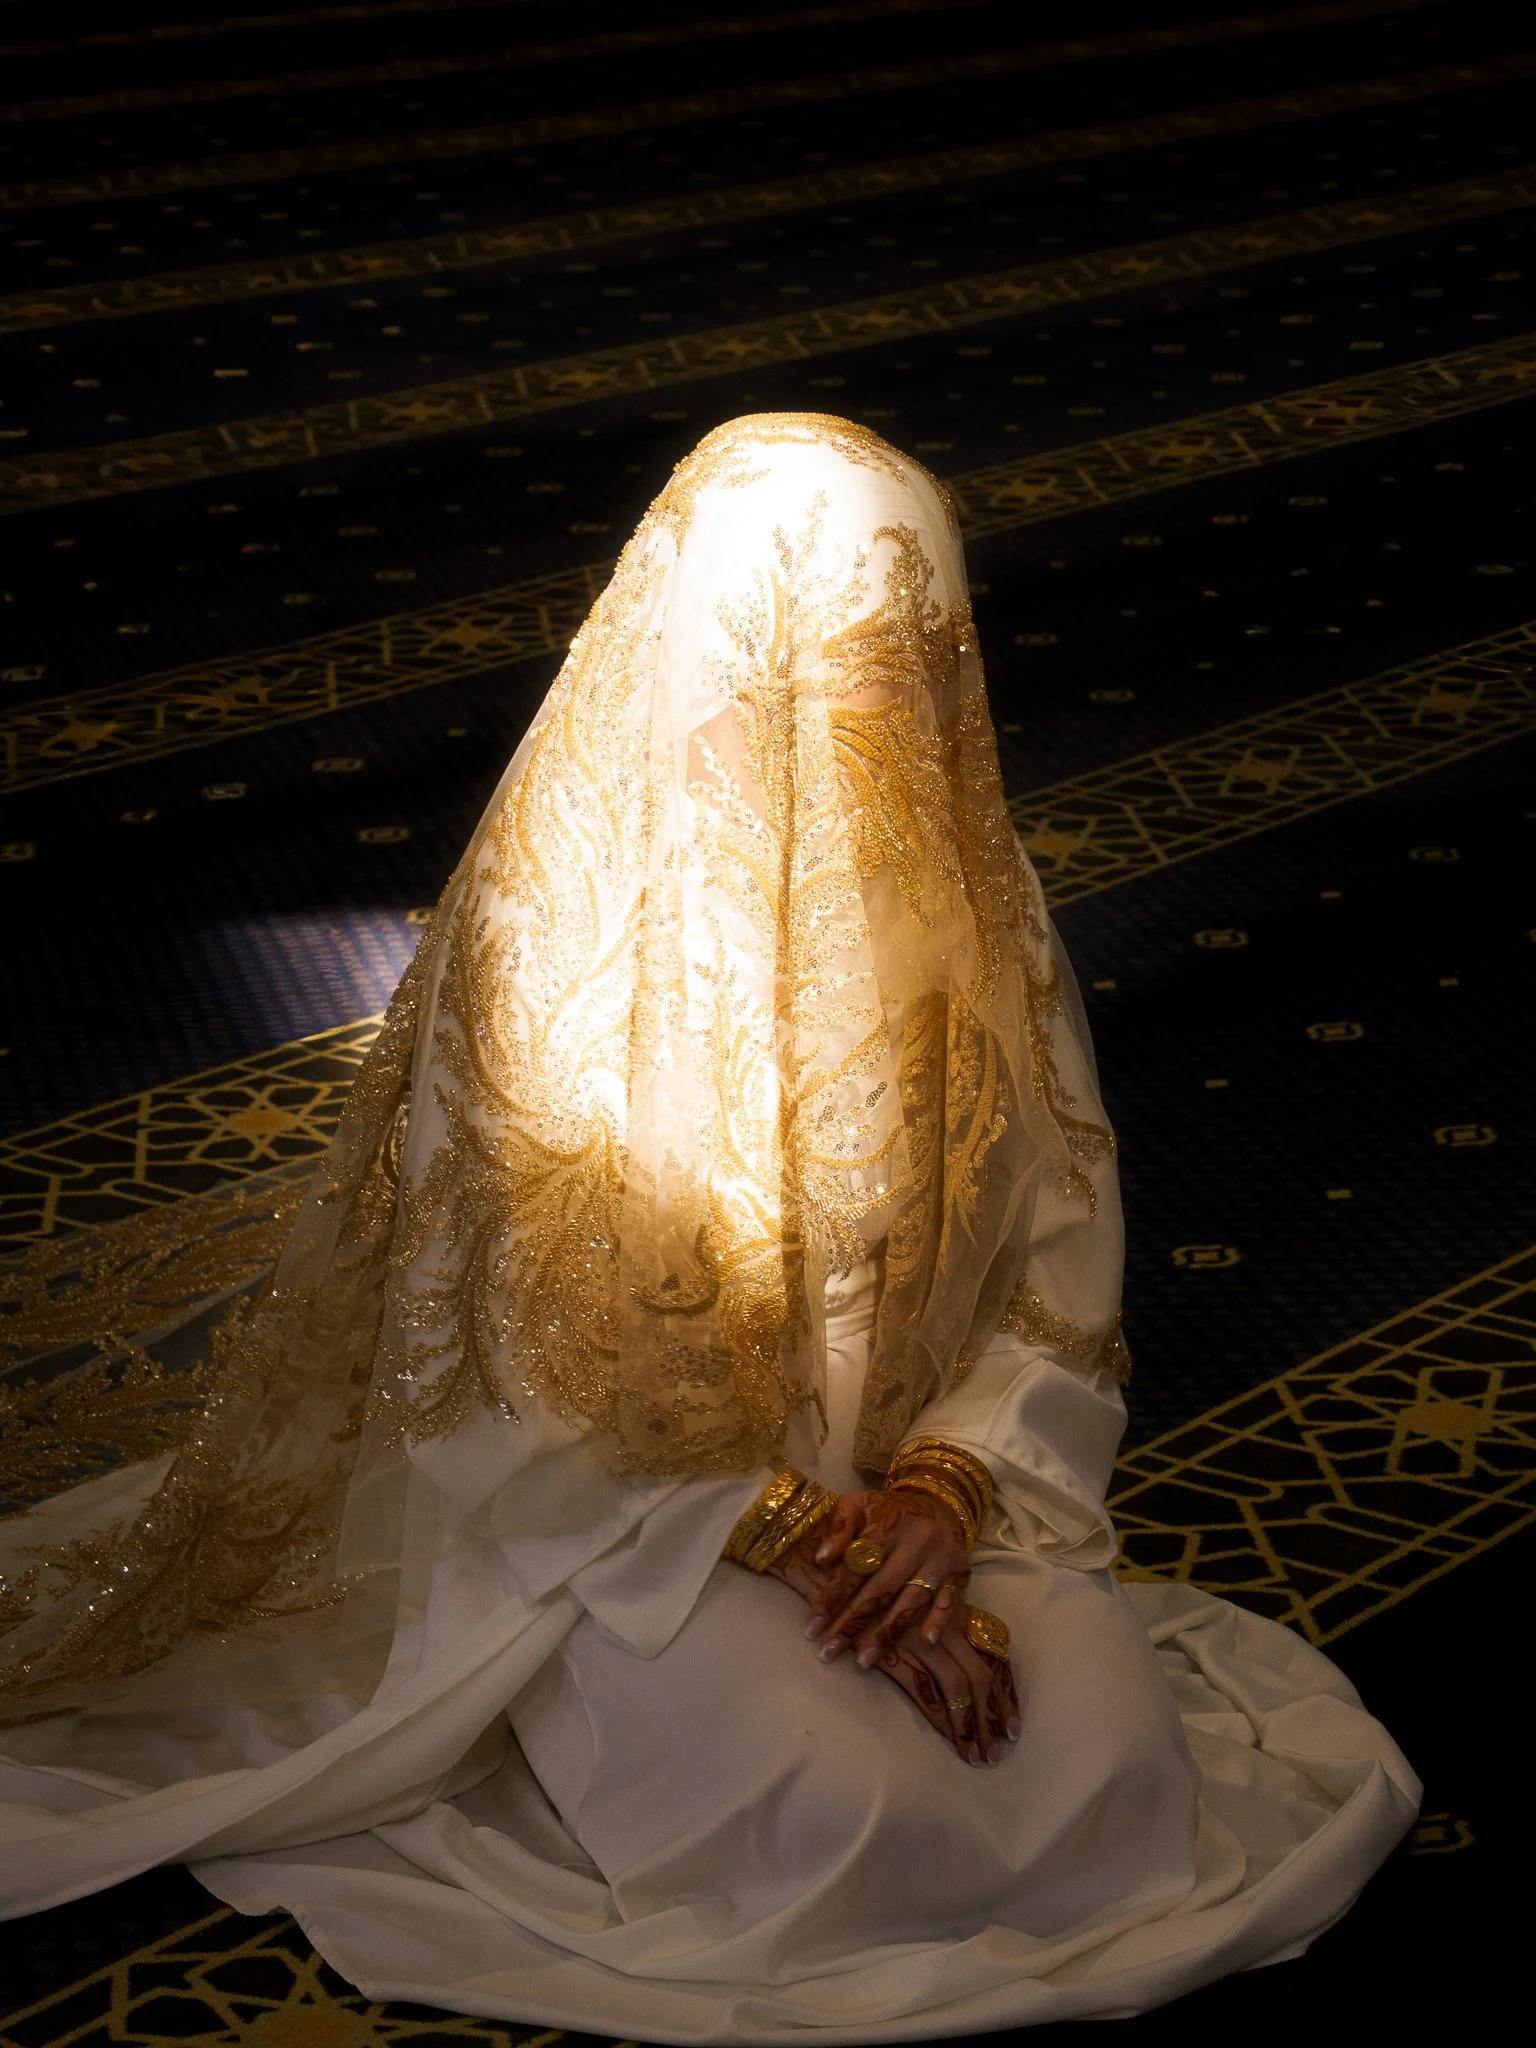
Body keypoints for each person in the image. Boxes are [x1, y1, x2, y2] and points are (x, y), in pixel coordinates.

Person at [0, 416, 1416, 2036]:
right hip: (627, 1526)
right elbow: (509, 1353)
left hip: (919, 1490)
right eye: (839, 653)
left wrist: (947, 1498)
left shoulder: (978, 900)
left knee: (1107, 1777)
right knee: (847, 1824)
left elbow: (1053, 1255)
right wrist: (793, 1536)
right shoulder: (561, 932)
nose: (886, 701)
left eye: (914, 650)